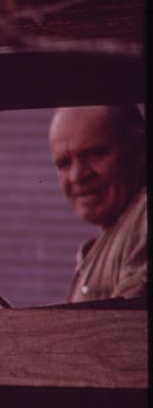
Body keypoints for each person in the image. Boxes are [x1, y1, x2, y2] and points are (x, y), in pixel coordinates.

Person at [47, 105, 147, 303]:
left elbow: (127, 330)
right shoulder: (115, 231)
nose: (77, 176)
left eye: (95, 154)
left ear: (141, 149)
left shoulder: (144, 216)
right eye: (63, 163)